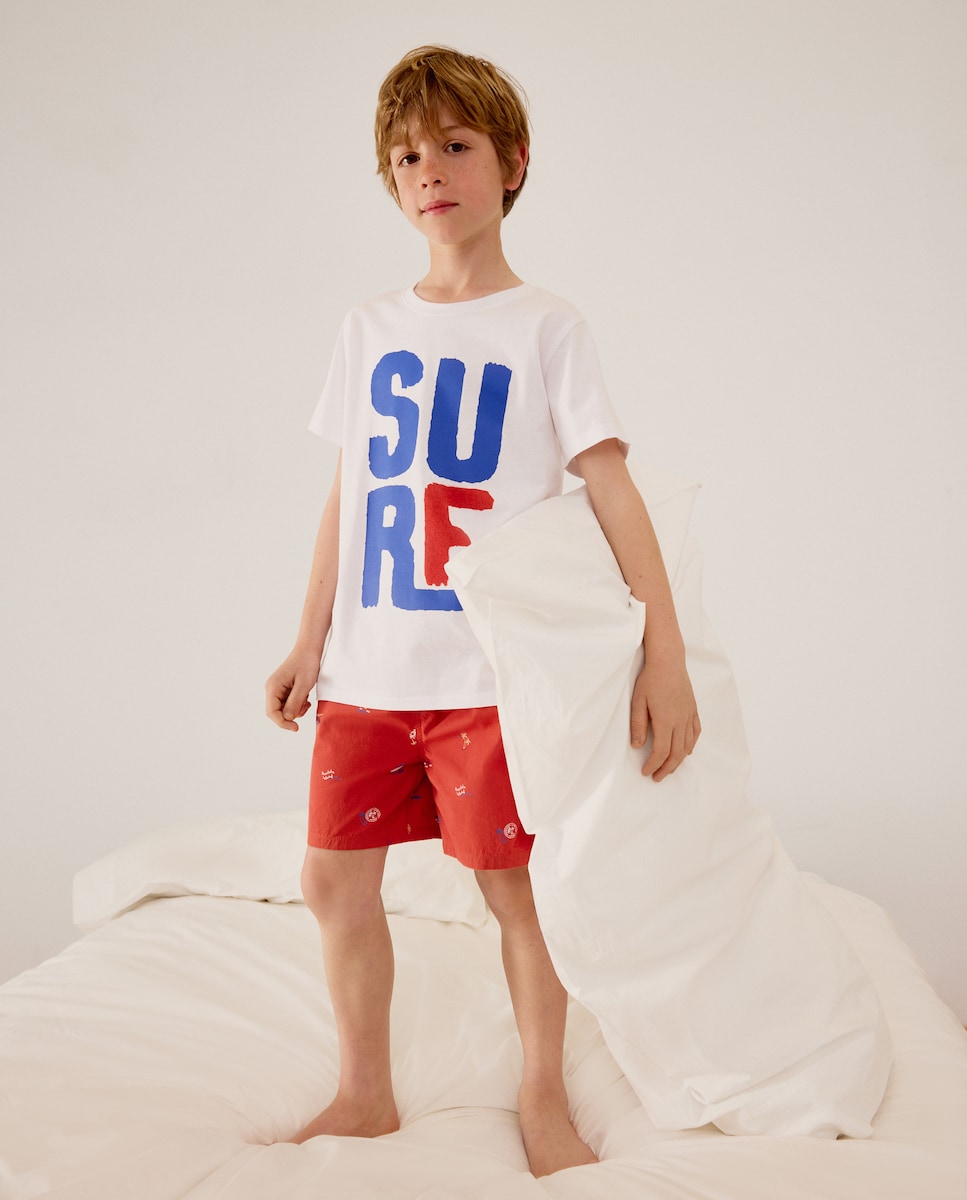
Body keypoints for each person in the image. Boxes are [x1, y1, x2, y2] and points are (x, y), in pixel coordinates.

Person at [265, 44, 701, 1178]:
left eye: (454, 147)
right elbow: (352, 491)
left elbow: (610, 488)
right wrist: (309, 638)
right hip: (368, 670)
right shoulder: (368, 327)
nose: (430, 172)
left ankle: (541, 1091)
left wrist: (664, 653)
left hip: (482, 679)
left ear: (510, 163)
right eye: (407, 157)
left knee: (512, 888)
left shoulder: (546, 326)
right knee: (330, 879)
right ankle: (365, 1092)